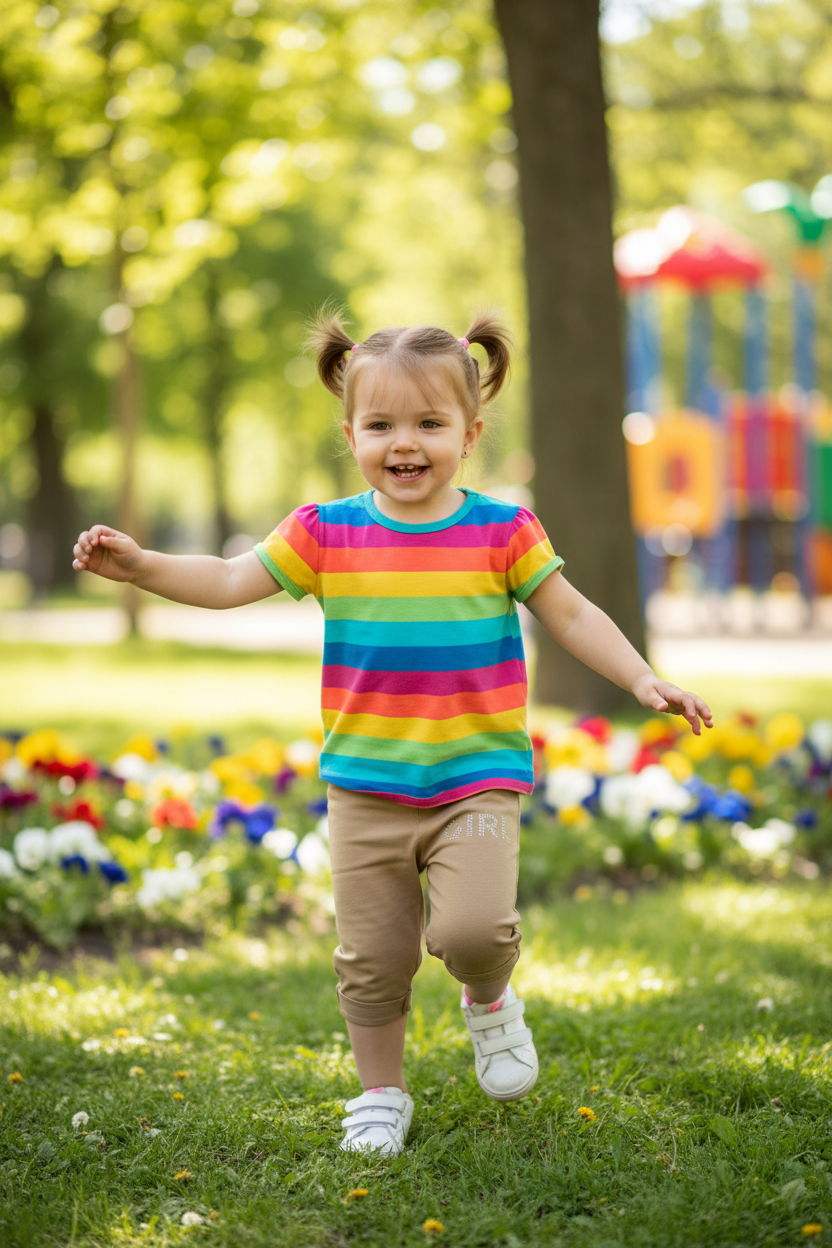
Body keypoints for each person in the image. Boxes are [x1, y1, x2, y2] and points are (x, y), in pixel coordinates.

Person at [72, 311, 712, 1157]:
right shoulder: (324, 531)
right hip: (365, 785)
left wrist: (642, 678)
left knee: (472, 932)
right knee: (372, 961)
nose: (402, 443)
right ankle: (382, 1093)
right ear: (350, 433)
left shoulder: (502, 531)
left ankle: (489, 1000)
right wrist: (144, 566)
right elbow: (230, 578)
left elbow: (571, 610)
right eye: (380, 425)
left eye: (428, 424)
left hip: (474, 776)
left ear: (470, 433)